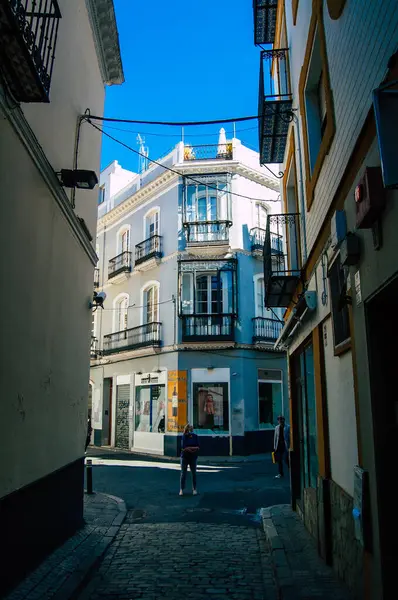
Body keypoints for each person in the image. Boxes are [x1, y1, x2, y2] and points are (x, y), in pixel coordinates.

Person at [179, 424, 200, 496]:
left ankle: (194, 489)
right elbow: (184, 448)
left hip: (193, 457)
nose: (190, 431)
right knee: (183, 473)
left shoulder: (195, 436)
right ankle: (181, 489)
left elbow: (197, 447)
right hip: (185, 457)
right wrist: (191, 449)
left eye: (191, 429)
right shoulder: (184, 436)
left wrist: (190, 448)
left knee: (194, 473)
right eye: (189, 429)